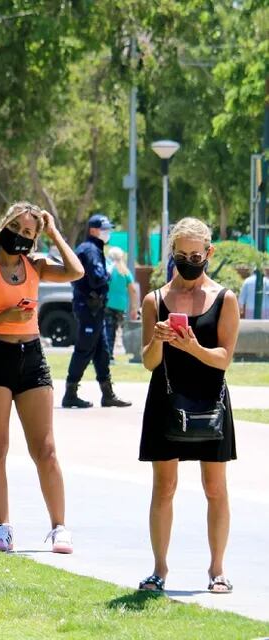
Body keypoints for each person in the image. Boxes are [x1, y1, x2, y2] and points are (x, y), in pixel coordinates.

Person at [0, 202, 85, 553]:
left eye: (30, 233)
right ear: (5, 225)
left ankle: (59, 526)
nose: (23, 237)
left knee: (45, 449)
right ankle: (3, 526)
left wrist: (53, 231)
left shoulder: (36, 265)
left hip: (32, 358)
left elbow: (76, 271)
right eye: (19, 229)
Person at [137, 217, 239, 594]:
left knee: (215, 487)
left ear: (208, 253)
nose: (189, 261)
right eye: (181, 255)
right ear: (172, 255)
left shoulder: (225, 299)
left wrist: (193, 347)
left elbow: (224, 359)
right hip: (166, 399)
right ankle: (159, 569)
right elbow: (148, 362)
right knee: (164, 487)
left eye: (196, 255)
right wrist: (161, 341)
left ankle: (217, 570)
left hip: (210, 402)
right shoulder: (155, 300)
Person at [62, 214, 131, 408]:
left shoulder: (92, 248)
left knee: (102, 352)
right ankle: (70, 393)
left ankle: (107, 394)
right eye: (104, 229)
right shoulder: (90, 250)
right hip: (89, 309)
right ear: (93, 230)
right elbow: (97, 277)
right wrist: (108, 275)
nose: (107, 232)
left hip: (95, 310)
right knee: (84, 349)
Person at [104, 246, 139, 361]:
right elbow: (133, 291)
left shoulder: (108, 269)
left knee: (107, 328)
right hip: (121, 305)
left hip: (108, 303)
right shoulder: (125, 272)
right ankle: (110, 354)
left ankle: (107, 354)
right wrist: (134, 308)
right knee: (114, 329)